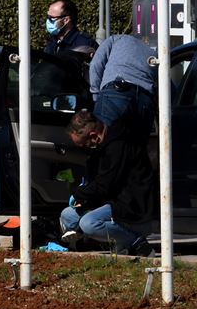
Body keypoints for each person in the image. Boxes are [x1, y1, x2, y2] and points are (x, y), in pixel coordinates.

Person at [59, 109, 157, 256]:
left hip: (133, 205)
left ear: (93, 136)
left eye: (83, 145)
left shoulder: (118, 146)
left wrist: (79, 194)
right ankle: (115, 241)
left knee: (88, 223)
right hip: (111, 200)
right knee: (68, 215)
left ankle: (136, 242)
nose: (84, 150)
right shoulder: (101, 148)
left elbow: (105, 185)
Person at [89, 34, 157, 142]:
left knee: (104, 144)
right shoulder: (154, 55)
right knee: (136, 150)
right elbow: (167, 86)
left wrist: (96, 95)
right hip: (144, 99)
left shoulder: (117, 39)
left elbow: (96, 64)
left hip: (115, 93)